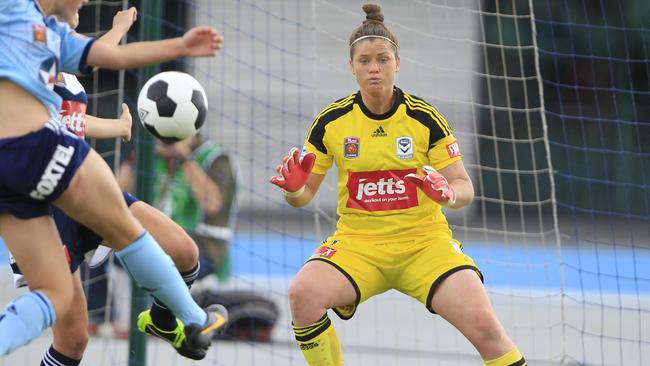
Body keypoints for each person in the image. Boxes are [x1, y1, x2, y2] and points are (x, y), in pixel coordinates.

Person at [269, 4, 527, 366]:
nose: (374, 68)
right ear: (352, 67)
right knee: (302, 295)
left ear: (397, 63)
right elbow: (303, 196)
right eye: (364, 61)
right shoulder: (331, 122)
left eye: (382, 59)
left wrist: (449, 194)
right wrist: (294, 190)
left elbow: (464, 186)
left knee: (486, 326)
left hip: (424, 244)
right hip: (359, 245)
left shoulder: (424, 118)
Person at [0, 0, 227, 357]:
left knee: (181, 250)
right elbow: (68, 118)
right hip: (43, 160)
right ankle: (193, 316)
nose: (88, 0)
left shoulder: (52, 39)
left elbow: (105, 55)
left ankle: (171, 319)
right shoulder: (16, 18)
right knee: (73, 334)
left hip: (21, 174)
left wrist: (139, 34)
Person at [117, 134, 238, 281]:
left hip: (202, 247)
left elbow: (212, 204)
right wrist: (136, 158)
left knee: (155, 261)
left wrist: (184, 158)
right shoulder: (154, 152)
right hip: (156, 237)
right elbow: (115, 196)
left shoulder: (214, 156)